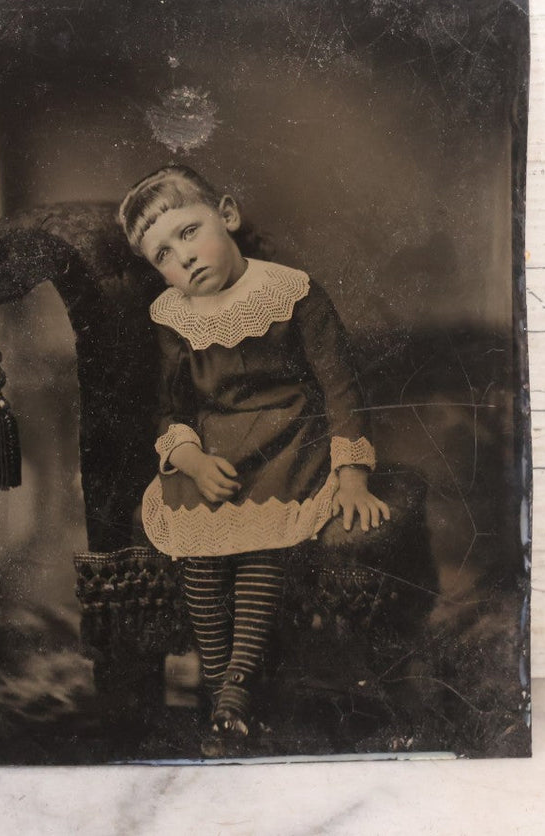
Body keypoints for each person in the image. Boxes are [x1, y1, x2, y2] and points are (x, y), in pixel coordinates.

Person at [117, 165, 391, 750]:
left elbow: (342, 388)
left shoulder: (294, 292)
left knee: (262, 545)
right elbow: (170, 411)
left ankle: (232, 690)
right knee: (198, 550)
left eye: (189, 232)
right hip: (214, 454)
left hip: (288, 445)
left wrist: (353, 476)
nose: (183, 258)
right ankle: (226, 701)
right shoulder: (172, 317)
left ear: (229, 215)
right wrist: (188, 461)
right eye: (163, 254)